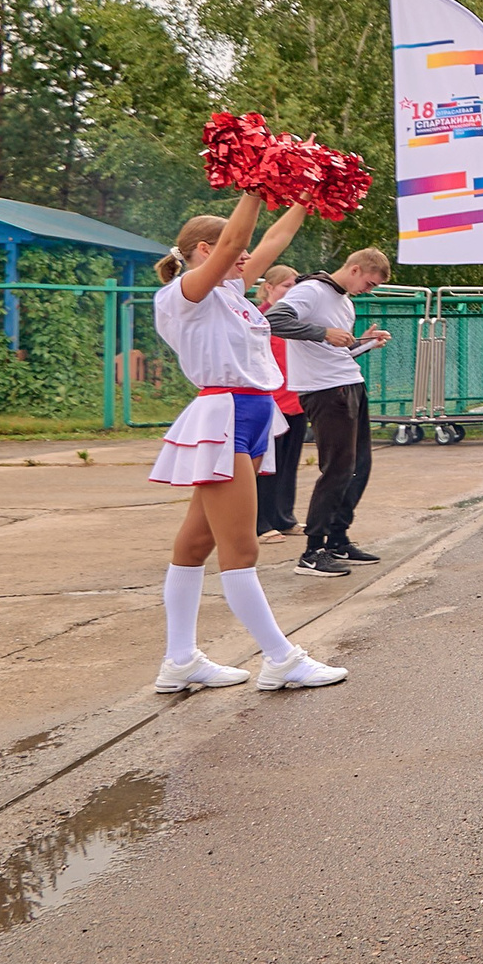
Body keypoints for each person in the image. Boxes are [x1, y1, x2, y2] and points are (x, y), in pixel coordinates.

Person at [144, 193, 347, 693]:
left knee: (195, 544)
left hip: (253, 412)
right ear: (205, 249)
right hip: (224, 414)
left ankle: (180, 660)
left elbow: (273, 238)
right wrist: (255, 185)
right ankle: (281, 658)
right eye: (235, 251)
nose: (247, 256)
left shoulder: (232, 292)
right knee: (242, 548)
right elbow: (238, 238)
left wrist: (307, 190)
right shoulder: (185, 294)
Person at [271, 248, 394, 579]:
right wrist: (323, 332)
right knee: (338, 468)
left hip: (348, 382)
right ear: (355, 269)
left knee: (358, 467)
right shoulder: (312, 290)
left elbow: (337, 349)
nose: (367, 290)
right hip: (325, 390)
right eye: (368, 283)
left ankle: (337, 539)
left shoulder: (344, 301)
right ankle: (313, 550)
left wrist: (364, 342)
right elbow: (273, 320)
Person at [252, 265, 310, 540]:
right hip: (271, 402)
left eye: (295, 286)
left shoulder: (296, 319)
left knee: (289, 465)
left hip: (296, 400)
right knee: (267, 466)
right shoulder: (259, 318)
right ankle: (260, 522)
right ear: (270, 288)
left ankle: (284, 517)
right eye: (286, 285)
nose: (291, 291)